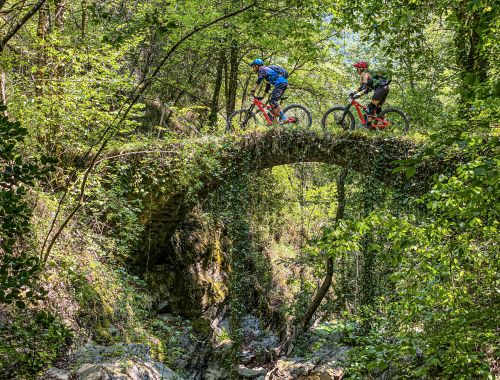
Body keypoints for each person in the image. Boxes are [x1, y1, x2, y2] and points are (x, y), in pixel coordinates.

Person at [349, 60, 390, 129]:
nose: (356, 70)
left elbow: (364, 85)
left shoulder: (364, 74)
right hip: (385, 88)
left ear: (361, 68)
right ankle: (384, 122)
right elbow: (368, 89)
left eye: (357, 68)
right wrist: (358, 95)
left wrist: (354, 92)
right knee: (377, 108)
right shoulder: (370, 76)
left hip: (381, 88)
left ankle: (368, 124)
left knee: (371, 107)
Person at [249, 58, 289, 124]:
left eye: (253, 66)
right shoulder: (266, 72)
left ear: (256, 66)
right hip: (280, 84)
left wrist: (253, 90)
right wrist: (263, 97)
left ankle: (284, 118)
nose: (253, 68)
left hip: (281, 83)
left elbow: (259, 80)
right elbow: (268, 86)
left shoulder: (262, 69)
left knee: (273, 100)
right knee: (271, 101)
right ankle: (275, 121)